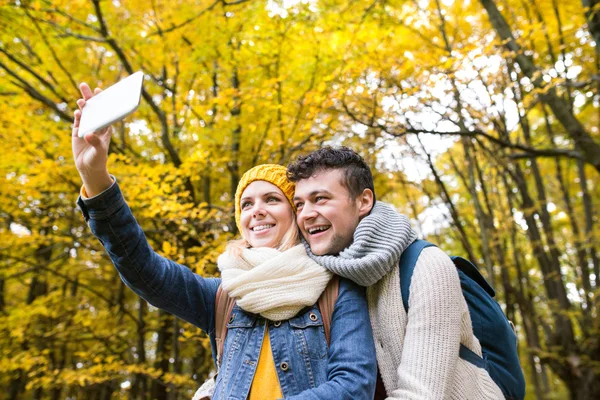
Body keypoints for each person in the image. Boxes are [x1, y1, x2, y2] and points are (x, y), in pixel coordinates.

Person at [72, 83, 377, 400]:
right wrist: (95, 177)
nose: (256, 211)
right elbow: (144, 270)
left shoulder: (337, 290)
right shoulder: (223, 297)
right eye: (246, 205)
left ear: (296, 214)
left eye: (271, 200)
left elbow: (353, 388)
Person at [288, 146, 506, 399]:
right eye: (299, 204)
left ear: (364, 201)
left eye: (321, 199)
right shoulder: (322, 275)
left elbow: (420, 395)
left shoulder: (426, 266)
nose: (306, 214)